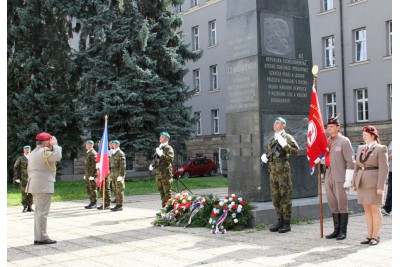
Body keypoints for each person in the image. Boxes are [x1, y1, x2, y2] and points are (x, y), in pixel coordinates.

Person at [261, 117, 299, 233]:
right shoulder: (273, 138)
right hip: (273, 173)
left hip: (283, 173)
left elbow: (296, 152)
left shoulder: (287, 137)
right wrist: (266, 157)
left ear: (283, 126)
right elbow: (271, 152)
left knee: (285, 198)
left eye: (278, 123)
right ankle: (280, 221)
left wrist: (285, 145)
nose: (275, 124)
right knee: (275, 198)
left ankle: (286, 223)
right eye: (274, 122)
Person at [352, 125, 389, 246]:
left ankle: (375, 236)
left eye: (366, 134)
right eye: (363, 134)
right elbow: (356, 166)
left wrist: (380, 186)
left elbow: (384, 169)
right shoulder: (361, 148)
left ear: (373, 135)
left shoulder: (381, 148)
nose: (364, 136)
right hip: (362, 182)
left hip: (374, 183)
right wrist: (354, 182)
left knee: (375, 209)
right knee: (366, 209)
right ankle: (369, 235)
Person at [26, 132, 62, 245]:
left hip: (35, 184)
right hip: (43, 185)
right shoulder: (44, 152)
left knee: (38, 212)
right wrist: (56, 145)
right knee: (42, 212)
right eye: (50, 140)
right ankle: (42, 237)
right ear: (45, 142)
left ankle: (38, 237)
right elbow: (57, 156)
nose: (51, 142)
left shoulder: (32, 152)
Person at [324, 116, 355, 240]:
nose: (329, 128)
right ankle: (336, 230)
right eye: (328, 126)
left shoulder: (344, 141)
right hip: (328, 174)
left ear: (338, 127)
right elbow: (326, 158)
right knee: (332, 202)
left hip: (340, 175)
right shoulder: (327, 141)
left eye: (332, 126)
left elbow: (351, 161)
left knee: (342, 203)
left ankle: (343, 231)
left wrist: (348, 179)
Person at [149, 132, 174, 207]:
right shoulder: (159, 148)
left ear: (167, 138)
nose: (160, 137)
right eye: (160, 136)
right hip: (158, 174)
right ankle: (164, 208)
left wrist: (162, 155)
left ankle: (169, 210)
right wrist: (152, 165)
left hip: (165, 174)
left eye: (162, 136)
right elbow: (156, 159)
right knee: (161, 192)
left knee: (167, 193)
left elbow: (170, 160)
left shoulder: (168, 148)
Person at [13, 145, 34, 212]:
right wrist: (16, 177)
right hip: (23, 179)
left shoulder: (33, 157)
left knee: (31, 193)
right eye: (26, 149)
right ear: (23, 150)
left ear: (30, 150)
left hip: (32, 178)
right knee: (24, 193)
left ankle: (30, 207)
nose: (27, 151)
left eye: (28, 149)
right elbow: (16, 167)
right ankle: (24, 207)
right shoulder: (20, 158)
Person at [109, 140, 126, 211]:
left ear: (117, 145)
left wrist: (121, 175)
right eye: (112, 144)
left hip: (118, 175)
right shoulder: (113, 153)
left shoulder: (120, 153)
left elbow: (123, 165)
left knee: (119, 190)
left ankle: (120, 205)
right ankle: (117, 203)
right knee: (115, 190)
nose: (112, 145)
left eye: (114, 144)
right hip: (113, 175)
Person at [97, 140, 113, 210]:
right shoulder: (100, 153)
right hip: (100, 173)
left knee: (106, 189)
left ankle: (107, 204)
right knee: (101, 189)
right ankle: (104, 202)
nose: (99, 145)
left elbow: (109, 163)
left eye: (100, 144)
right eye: (98, 144)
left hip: (106, 173)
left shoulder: (106, 153)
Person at [84, 140, 98, 209]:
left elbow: (94, 165)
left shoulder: (93, 153)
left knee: (93, 188)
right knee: (89, 189)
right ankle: (91, 202)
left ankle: (94, 203)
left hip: (92, 175)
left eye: (87, 144)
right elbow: (87, 165)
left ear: (91, 145)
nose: (86, 145)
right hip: (88, 174)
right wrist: (85, 174)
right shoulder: (88, 153)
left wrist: (93, 175)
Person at [381, 141, 392, 215]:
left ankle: (387, 208)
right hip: (392, 170)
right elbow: (387, 156)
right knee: (391, 190)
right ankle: (387, 208)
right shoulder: (392, 142)